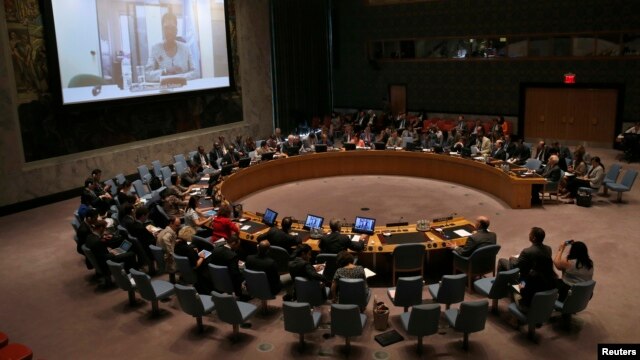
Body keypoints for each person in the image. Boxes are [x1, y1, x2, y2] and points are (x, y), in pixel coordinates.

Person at [145, 12, 196, 82]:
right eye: (166, 28)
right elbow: (147, 75)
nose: (169, 31)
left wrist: (179, 78)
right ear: (162, 30)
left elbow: (195, 73)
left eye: (172, 28)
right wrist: (165, 71)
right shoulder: (155, 49)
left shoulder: (185, 48)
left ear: (176, 30)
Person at [174, 226, 212, 294]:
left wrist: (194, 252)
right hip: (195, 270)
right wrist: (202, 257)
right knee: (208, 259)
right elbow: (196, 265)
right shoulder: (189, 249)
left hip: (185, 268)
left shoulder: (177, 245)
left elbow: (186, 253)